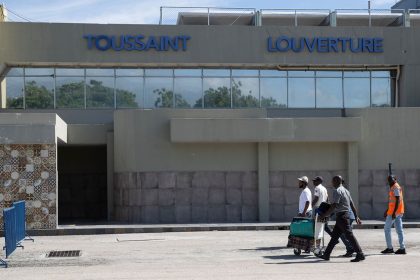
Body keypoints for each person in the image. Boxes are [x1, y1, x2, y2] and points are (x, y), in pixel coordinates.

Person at [316, 175, 365, 262]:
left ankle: (360, 254)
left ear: (337, 181)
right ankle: (326, 255)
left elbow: (334, 205)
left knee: (349, 235)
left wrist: (324, 215)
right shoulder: (346, 191)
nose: (332, 183)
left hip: (342, 216)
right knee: (334, 237)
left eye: (333, 181)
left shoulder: (337, 191)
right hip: (342, 216)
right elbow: (352, 204)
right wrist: (356, 216)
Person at [381, 175, 406, 255]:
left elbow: (398, 200)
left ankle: (390, 248)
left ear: (395, 179)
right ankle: (402, 248)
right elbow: (393, 201)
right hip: (397, 212)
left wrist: (394, 213)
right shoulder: (394, 187)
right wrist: (387, 210)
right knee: (399, 230)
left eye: (391, 180)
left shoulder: (395, 187)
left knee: (387, 229)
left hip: (394, 213)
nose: (390, 182)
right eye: (389, 180)